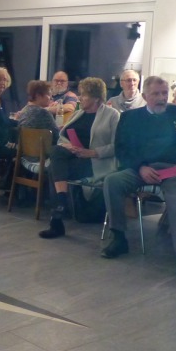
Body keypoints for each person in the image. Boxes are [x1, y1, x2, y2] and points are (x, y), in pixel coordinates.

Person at [101, 75, 176, 262]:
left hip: (174, 169)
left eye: (164, 93)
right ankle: (118, 237)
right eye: (156, 94)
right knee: (113, 181)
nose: (162, 98)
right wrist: (140, 167)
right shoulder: (130, 117)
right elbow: (122, 149)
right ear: (144, 96)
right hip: (141, 168)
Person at [40, 77, 119, 239]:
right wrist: (68, 146)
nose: (79, 98)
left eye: (83, 95)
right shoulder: (78, 114)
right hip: (75, 156)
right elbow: (62, 137)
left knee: (53, 168)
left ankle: (58, 216)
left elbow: (117, 146)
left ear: (96, 98)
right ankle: (61, 204)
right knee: (56, 152)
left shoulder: (112, 115)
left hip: (96, 161)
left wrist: (92, 152)